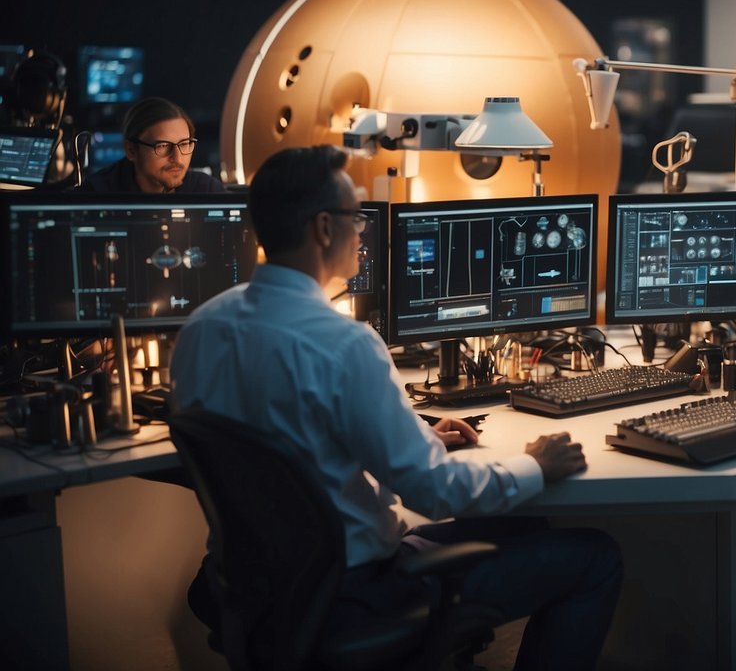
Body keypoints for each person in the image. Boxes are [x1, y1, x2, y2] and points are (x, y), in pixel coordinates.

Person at [170, 144, 621, 670]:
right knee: (596, 558)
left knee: (525, 529)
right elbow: (433, 492)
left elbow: (291, 443)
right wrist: (535, 465)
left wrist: (415, 434)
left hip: (255, 587)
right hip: (354, 594)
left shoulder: (203, 327)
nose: (362, 228)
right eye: (354, 215)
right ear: (322, 228)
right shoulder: (345, 343)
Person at [77, 96, 226, 193]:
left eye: (185, 144)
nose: (177, 157)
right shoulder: (96, 193)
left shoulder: (206, 189)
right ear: (131, 150)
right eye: (163, 146)